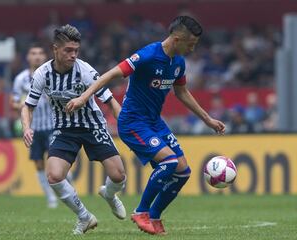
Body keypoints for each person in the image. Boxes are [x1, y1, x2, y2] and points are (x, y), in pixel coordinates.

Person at [66, 16, 226, 235]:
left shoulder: (178, 62)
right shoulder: (148, 55)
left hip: (154, 122)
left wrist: (207, 119)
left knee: (182, 172)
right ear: (177, 39)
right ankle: (141, 211)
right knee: (169, 161)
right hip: (132, 122)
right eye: (190, 44)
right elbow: (111, 74)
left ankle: (155, 215)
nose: (192, 49)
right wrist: (84, 98)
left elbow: (181, 92)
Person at [21, 25, 127, 235]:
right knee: (54, 175)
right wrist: (26, 127)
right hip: (64, 128)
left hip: (92, 125)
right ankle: (84, 217)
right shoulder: (43, 74)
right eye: (68, 50)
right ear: (55, 49)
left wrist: (126, 128)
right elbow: (28, 106)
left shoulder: (86, 71)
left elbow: (111, 102)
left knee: (118, 175)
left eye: (76, 50)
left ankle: (109, 194)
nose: (73, 54)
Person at [12, 43, 58, 208]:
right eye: (33, 53)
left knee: (57, 161)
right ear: (28, 57)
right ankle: (50, 197)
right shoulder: (20, 79)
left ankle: (67, 188)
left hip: (53, 125)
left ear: (45, 56)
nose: (37, 56)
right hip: (34, 128)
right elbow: (14, 102)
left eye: (40, 53)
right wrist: (28, 104)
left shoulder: (53, 75)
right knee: (39, 163)